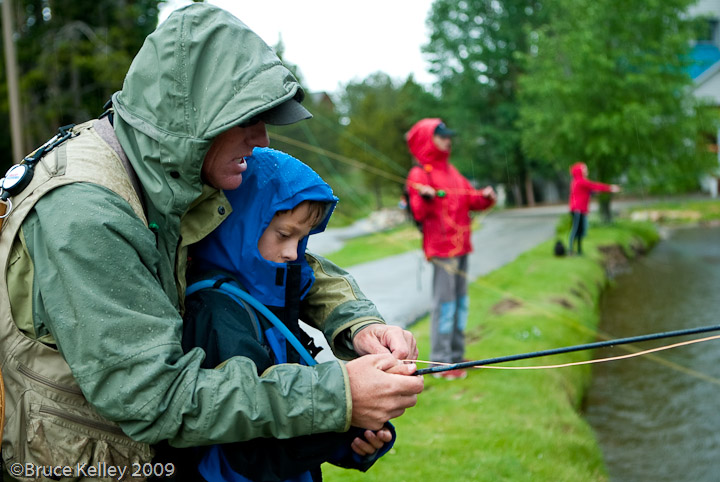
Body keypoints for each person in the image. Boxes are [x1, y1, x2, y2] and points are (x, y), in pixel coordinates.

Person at [0, 5, 423, 481]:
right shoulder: (85, 211)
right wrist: (337, 396)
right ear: (192, 114)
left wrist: (356, 323)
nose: (262, 139)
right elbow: (152, 396)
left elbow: (269, 261)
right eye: (248, 119)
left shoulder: (171, 174)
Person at [181, 147, 397, 482]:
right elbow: (252, 444)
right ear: (241, 225)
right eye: (284, 235)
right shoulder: (216, 310)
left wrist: (355, 438)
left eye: (302, 238)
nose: (293, 252)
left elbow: (294, 413)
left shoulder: (273, 291)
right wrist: (344, 415)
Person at [405, 118, 496, 381]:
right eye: (442, 136)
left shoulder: (452, 171)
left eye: (448, 136)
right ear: (427, 139)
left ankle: (456, 355)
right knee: (444, 305)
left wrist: (486, 197)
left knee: (460, 304)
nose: (448, 140)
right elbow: (418, 212)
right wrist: (425, 197)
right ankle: (441, 362)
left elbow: (471, 199)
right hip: (441, 251)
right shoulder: (419, 174)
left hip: (462, 247)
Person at [568, 162, 621, 255]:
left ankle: (579, 251)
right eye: (585, 169)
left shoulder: (578, 181)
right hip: (577, 210)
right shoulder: (580, 181)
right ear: (579, 171)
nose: (587, 171)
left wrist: (597, 191)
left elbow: (589, 191)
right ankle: (570, 250)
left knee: (581, 231)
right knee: (576, 230)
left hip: (581, 210)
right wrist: (610, 188)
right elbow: (594, 186)